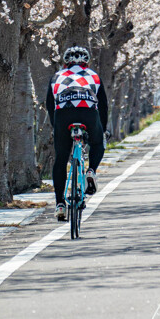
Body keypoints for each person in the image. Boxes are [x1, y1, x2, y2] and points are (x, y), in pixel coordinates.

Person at [46, 45, 108, 221]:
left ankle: (60, 204)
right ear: (86, 62)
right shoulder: (93, 76)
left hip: (63, 115)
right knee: (98, 143)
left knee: (60, 159)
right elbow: (103, 106)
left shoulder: (56, 76)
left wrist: (56, 126)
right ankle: (90, 171)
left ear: (66, 62)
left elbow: (50, 105)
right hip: (88, 112)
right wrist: (102, 130)